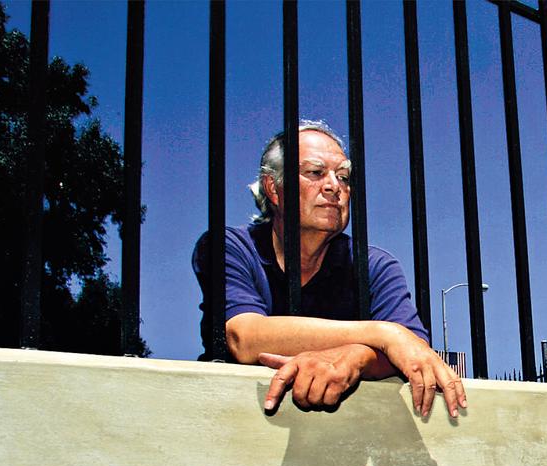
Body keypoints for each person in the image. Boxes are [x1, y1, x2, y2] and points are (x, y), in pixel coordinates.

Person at [193, 120, 465, 418]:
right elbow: (243, 338)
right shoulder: (230, 247)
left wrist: (356, 356)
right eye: (315, 172)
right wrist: (383, 335)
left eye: (344, 177)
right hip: (230, 422)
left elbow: (413, 350)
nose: (334, 186)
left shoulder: (374, 266)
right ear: (274, 188)